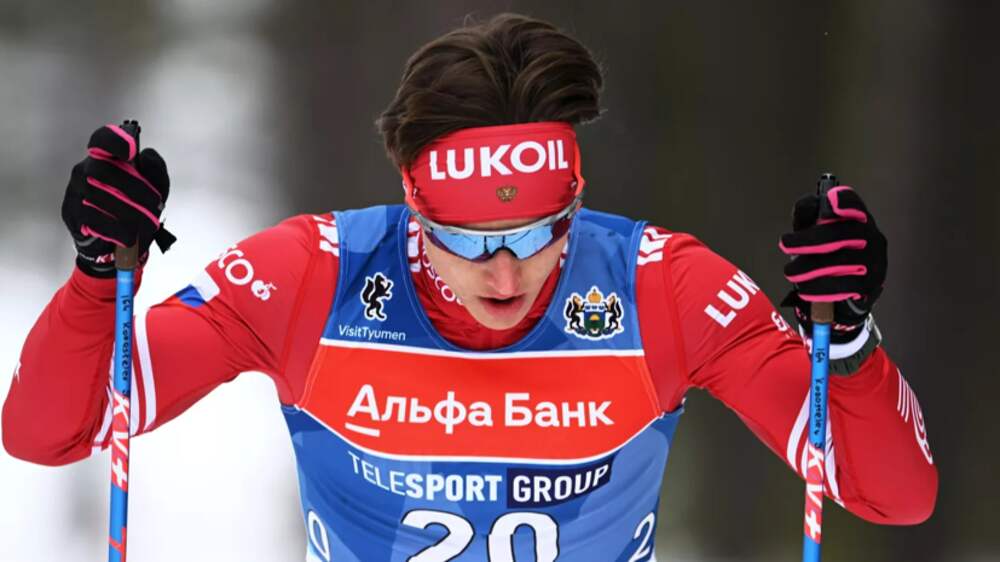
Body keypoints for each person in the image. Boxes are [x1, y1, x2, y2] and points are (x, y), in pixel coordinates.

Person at [2, 13, 936, 561]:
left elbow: (894, 496)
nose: (505, 269)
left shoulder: (663, 286)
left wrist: (847, 337)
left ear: (575, 202)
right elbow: (46, 432)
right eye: (467, 239)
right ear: (413, 206)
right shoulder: (312, 275)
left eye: (539, 233)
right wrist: (99, 276)